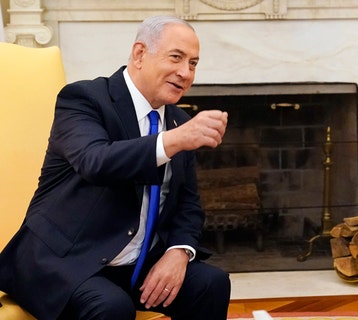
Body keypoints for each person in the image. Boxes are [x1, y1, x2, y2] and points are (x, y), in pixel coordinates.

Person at [0, 15, 231, 320]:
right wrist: (173, 141)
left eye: (193, 63)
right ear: (139, 54)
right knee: (111, 307)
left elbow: (188, 204)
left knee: (211, 284)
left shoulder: (178, 122)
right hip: (66, 259)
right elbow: (96, 161)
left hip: (135, 262)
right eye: (176, 57)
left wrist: (178, 251)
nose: (185, 72)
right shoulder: (83, 99)